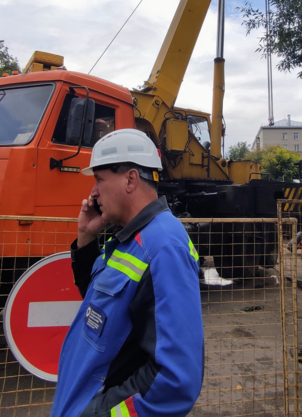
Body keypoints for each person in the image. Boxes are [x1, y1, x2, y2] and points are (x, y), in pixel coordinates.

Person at [51, 129, 204, 417]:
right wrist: (86, 237)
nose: (93, 192)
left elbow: (175, 381)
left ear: (131, 179)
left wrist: (96, 413)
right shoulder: (128, 238)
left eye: (99, 179)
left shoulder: (163, 246)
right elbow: (100, 304)